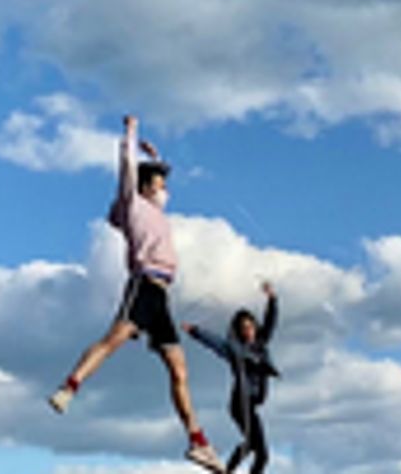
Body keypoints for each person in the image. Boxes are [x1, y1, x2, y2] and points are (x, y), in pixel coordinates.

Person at [47, 114, 224, 473]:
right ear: (144, 188)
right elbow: (127, 167)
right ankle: (69, 386)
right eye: (158, 185)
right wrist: (131, 133)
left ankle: (199, 444)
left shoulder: (156, 212)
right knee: (114, 339)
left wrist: (156, 158)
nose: (164, 191)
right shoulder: (133, 204)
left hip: (162, 296)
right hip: (143, 285)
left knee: (179, 371)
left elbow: (150, 173)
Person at [183, 282, 279, 474]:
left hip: (250, 404)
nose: (248, 331)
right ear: (239, 331)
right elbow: (216, 343)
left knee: (253, 447)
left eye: (251, 327)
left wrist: (272, 299)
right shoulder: (236, 350)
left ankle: (226, 471)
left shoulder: (261, 345)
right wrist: (196, 331)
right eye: (244, 328)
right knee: (262, 453)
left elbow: (270, 323)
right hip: (240, 403)